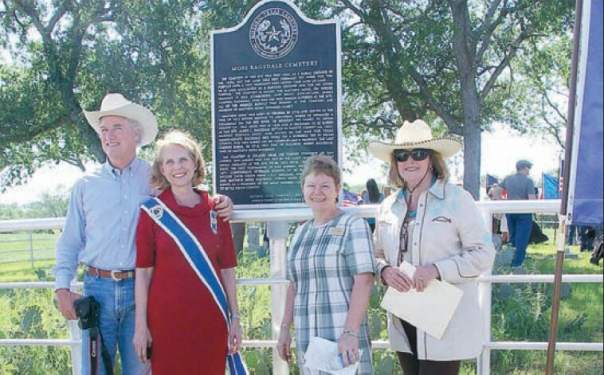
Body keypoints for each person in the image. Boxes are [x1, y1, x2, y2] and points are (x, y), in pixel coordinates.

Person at [53, 93, 233, 375]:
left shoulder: (155, 180)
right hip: (96, 288)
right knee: (94, 370)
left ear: (136, 134)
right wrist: (62, 287)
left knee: (140, 369)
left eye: (117, 128)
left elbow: (187, 192)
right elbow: (70, 241)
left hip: (141, 291)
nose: (109, 136)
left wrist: (220, 201)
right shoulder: (85, 186)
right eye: (104, 130)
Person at [368, 119, 495, 375]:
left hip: (445, 318)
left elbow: (483, 254)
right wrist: (384, 272)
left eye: (419, 154)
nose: (410, 161)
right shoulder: (388, 205)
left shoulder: (457, 199)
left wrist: (437, 269)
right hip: (403, 313)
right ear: (395, 162)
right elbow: (375, 253)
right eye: (402, 155)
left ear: (432, 158)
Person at [133, 131, 243, 374]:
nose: (177, 167)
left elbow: (227, 269)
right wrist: (141, 326)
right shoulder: (152, 213)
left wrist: (235, 317)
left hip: (210, 318)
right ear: (161, 169)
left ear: (195, 163)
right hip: (165, 322)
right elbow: (142, 274)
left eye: (183, 159)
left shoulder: (216, 210)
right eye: (169, 162)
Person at [277, 155, 376, 374]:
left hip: (342, 337)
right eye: (311, 185)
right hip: (308, 338)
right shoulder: (301, 232)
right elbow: (294, 285)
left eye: (325, 186)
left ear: (337, 189)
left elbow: (365, 281)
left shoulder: (353, 225)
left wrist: (350, 333)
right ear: (303, 189)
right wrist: (285, 329)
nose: (317, 192)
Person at [501, 159, 536, 267]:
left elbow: (496, 190)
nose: (529, 171)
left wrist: (498, 201)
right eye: (528, 169)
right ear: (525, 168)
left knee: (513, 238)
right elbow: (532, 199)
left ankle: (509, 260)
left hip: (510, 211)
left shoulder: (508, 178)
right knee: (522, 239)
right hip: (524, 212)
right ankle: (517, 264)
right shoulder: (528, 181)